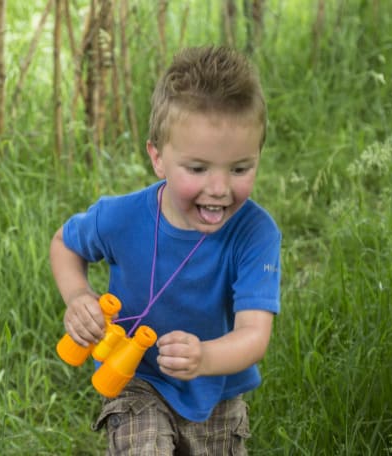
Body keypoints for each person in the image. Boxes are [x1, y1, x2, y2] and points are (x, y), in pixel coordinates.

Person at [49, 45, 281, 454]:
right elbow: (65, 244)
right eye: (197, 168)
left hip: (215, 388)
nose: (219, 188)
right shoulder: (122, 218)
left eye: (240, 168)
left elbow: (254, 335)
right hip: (136, 376)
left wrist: (204, 358)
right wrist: (78, 296)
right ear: (158, 157)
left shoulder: (255, 233)